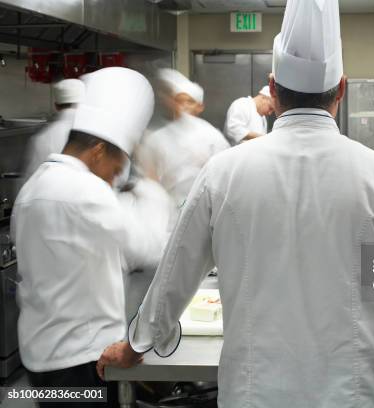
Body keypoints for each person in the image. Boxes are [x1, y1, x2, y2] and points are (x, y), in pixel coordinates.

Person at [98, 1, 374, 407]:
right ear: (343, 90)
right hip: (354, 394)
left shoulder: (221, 173)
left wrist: (136, 347)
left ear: (273, 89)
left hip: (253, 393)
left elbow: (174, 274)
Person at [10, 67, 155, 407]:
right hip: (81, 357)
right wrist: (152, 190)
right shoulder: (87, 190)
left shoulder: (32, 189)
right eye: (117, 169)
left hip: (40, 354)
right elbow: (148, 247)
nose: (114, 179)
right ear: (99, 151)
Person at [137, 68, 229, 226]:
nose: (183, 106)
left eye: (189, 101)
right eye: (179, 100)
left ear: (200, 107)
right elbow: (150, 182)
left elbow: (225, 179)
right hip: (168, 216)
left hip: (204, 214)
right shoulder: (157, 139)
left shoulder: (212, 137)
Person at [24, 78, 85, 179]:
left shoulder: (42, 138)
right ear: (84, 104)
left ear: (56, 106)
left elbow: (31, 179)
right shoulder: (95, 130)